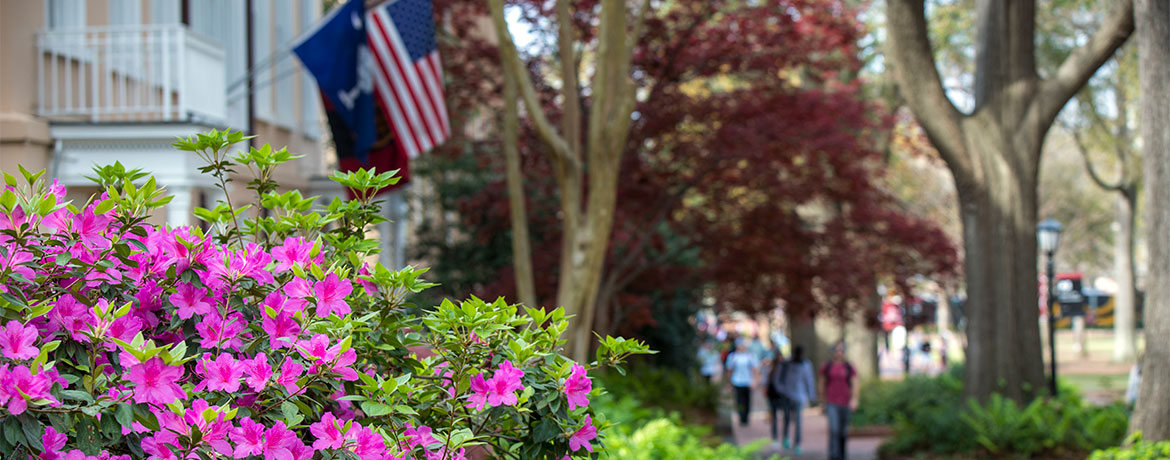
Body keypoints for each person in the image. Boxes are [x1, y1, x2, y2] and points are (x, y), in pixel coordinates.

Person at [820, 343, 857, 460]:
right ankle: (833, 455)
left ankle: (842, 455)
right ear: (833, 352)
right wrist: (822, 401)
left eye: (841, 350)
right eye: (837, 350)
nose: (839, 353)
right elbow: (821, 383)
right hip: (831, 402)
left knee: (843, 432)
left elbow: (855, 383)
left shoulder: (849, 367)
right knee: (834, 429)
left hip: (845, 402)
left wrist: (854, 399)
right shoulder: (827, 366)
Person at [779, 345, 816, 454]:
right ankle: (786, 438)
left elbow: (809, 380)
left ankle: (798, 443)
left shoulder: (806, 365)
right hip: (787, 396)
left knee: (798, 421)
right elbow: (778, 379)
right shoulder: (786, 364)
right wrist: (782, 390)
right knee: (786, 418)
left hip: (799, 396)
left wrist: (811, 395)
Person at [725, 342, 760, 426]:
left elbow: (755, 369)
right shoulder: (733, 356)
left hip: (747, 382)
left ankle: (746, 418)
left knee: (747, 401)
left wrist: (755, 381)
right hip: (737, 381)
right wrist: (729, 382)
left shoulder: (750, 356)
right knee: (739, 400)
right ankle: (741, 417)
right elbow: (729, 370)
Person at [764, 351, 788, 449]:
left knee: (786, 417)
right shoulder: (771, 369)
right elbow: (766, 382)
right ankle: (775, 438)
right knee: (774, 417)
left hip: (783, 396)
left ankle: (785, 437)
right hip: (773, 396)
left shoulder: (786, 369)